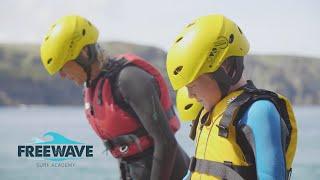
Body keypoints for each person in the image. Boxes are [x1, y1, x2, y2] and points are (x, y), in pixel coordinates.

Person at [40, 15, 189, 180]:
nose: (62, 75)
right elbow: (124, 151)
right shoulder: (94, 88)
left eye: (63, 66)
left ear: (82, 53)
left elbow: (166, 143)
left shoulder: (129, 78)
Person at [166, 14, 298, 180]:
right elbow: (195, 171)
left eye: (192, 85)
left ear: (224, 69)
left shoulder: (259, 112)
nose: (190, 95)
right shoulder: (208, 115)